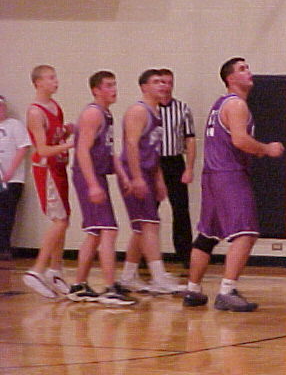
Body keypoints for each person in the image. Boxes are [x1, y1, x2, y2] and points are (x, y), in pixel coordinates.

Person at [183, 58, 284, 312]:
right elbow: (239, 140)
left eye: (247, 67)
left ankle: (193, 290)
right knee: (246, 233)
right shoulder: (237, 104)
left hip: (212, 174)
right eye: (242, 69)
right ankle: (227, 291)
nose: (249, 72)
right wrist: (266, 149)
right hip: (229, 174)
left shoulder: (219, 104)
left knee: (207, 235)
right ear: (230, 79)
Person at [67, 71, 137, 305]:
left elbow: (108, 150)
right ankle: (109, 288)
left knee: (95, 232)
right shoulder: (93, 113)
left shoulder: (106, 114)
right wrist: (92, 184)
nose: (113, 89)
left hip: (97, 175)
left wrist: (123, 175)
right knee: (109, 229)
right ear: (96, 90)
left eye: (115, 84)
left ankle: (78, 285)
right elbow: (82, 150)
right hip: (88, 176)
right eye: (108, 85)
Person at [116, 69, 184, 294]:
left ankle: (128, 276)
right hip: (133, 173)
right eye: (156, 82)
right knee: (150, 224)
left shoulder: (156, 113)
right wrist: (136, 177)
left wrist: (159, 180)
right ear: (144, 87)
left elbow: (153, 151)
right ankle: (158, 277)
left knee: (140, 228)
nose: (162, 86)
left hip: (148, 172)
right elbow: (131, 145)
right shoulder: (138, 110)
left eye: (164, 82)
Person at [22, 65, 74, 298]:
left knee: (64, 220)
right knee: (59, 221)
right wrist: (71, 144)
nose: (56, 81)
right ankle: (36, 271)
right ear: (38, 83)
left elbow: (55, 137)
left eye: (55, 77)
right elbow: (42, 149)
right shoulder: (35, 112)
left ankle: (55, 271)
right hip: (47, 169)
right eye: (51, 78)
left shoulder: (54, 106)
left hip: (59, 167)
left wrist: (67, 131)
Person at [157, 68, 196, 268]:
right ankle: (146, 257)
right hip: (153, 163)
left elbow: (190, 140)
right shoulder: (146, 109)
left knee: (181, 210)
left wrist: (189, 168)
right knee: (149, 212)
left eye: (169, 82)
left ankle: (185, 255)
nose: (165, 86)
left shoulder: (182, 109)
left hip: (174, 162)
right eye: (161, 82)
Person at [0, 95, 31, 261]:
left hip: (12, 180)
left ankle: (4, 247)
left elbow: (23, 148)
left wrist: (10, 171)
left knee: (7, 213)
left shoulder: (14, 125)